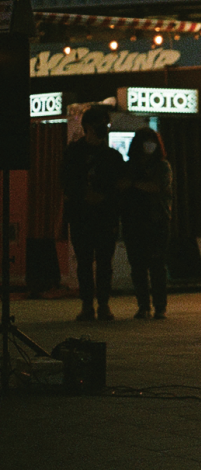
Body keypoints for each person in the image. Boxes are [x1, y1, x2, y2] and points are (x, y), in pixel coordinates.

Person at [62, 106, 125, 322]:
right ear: (88, 126)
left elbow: (120, 187)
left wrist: (105, 198)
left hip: (105, 216)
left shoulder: (113, 156)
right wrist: (84, 195)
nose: (105, 129)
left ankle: (104, 304)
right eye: (102, 124)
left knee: (105, 262)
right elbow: (65, 183)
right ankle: (88, 305)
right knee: (85, 262)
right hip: (81, 216)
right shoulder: (73, 153)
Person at [121, 128, 174, 319]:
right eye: (145, 141)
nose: (149, 145)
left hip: (157, 221)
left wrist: (133, 184)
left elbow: (157, 187)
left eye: (152, 141)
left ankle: (159, 306)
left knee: (157, 265)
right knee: (138, 266)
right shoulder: (130, 166)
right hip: (134, 221)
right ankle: (143, 305)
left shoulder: (162, 166)